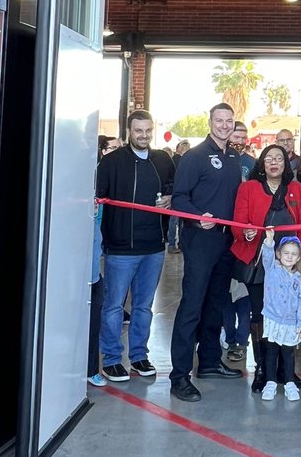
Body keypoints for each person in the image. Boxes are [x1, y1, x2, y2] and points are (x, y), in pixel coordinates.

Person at [168, 103, 244, 402]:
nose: (224, 125)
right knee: (192, 306)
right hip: (200, 241)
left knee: (216, 304)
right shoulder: (195, 156)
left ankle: (210, 362)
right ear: (210, 122)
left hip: (226, 241)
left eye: (229, 121)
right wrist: (197, 215)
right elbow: (178, 198)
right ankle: (179, 376)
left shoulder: (235, 157)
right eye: (219, 120)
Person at [96, 110, 174, 382]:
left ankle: (139, 356)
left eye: (147, 130)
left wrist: (170, 198)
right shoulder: (112, 162)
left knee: (144, 306)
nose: (143, 135)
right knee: (115, 306)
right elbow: (98, 198)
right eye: (138, 130)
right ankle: (112, 358)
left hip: (153, 247)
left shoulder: (163, 160)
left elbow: (172, 188)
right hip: (120, 249)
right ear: (129, 131)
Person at [229, 143, 301, 392]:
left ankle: (287, 371)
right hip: (259, 264)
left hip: (288, 265)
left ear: (286, 163)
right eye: (269, 158)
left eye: (279, 158)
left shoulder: (296, 189)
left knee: (289, 315)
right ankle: (263, 369)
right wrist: (247, 233)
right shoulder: (248, 188)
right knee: (260, 316)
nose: (274, 162)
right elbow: (237, 224)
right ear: (262, 164)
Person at [257, 230, 301, 402]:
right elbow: (267, 254)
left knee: (288, 354)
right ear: (279, 254)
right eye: (286, 253)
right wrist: (270, 241)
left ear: (298, 257)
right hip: (272, 320)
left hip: (290, 323)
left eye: (294, 254)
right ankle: (270, 382)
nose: (289, 256)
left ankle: (289, 383)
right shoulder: (272, 269)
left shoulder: (297, 277)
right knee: (271, 352)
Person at [167, 138, 191, 251]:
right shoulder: (181, 161)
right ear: (182, 149)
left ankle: (173, 243)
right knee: (175, 221)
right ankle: (173, 244)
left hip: (173, 194)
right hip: (178, 195)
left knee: (175, 221)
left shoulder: (172, 160)